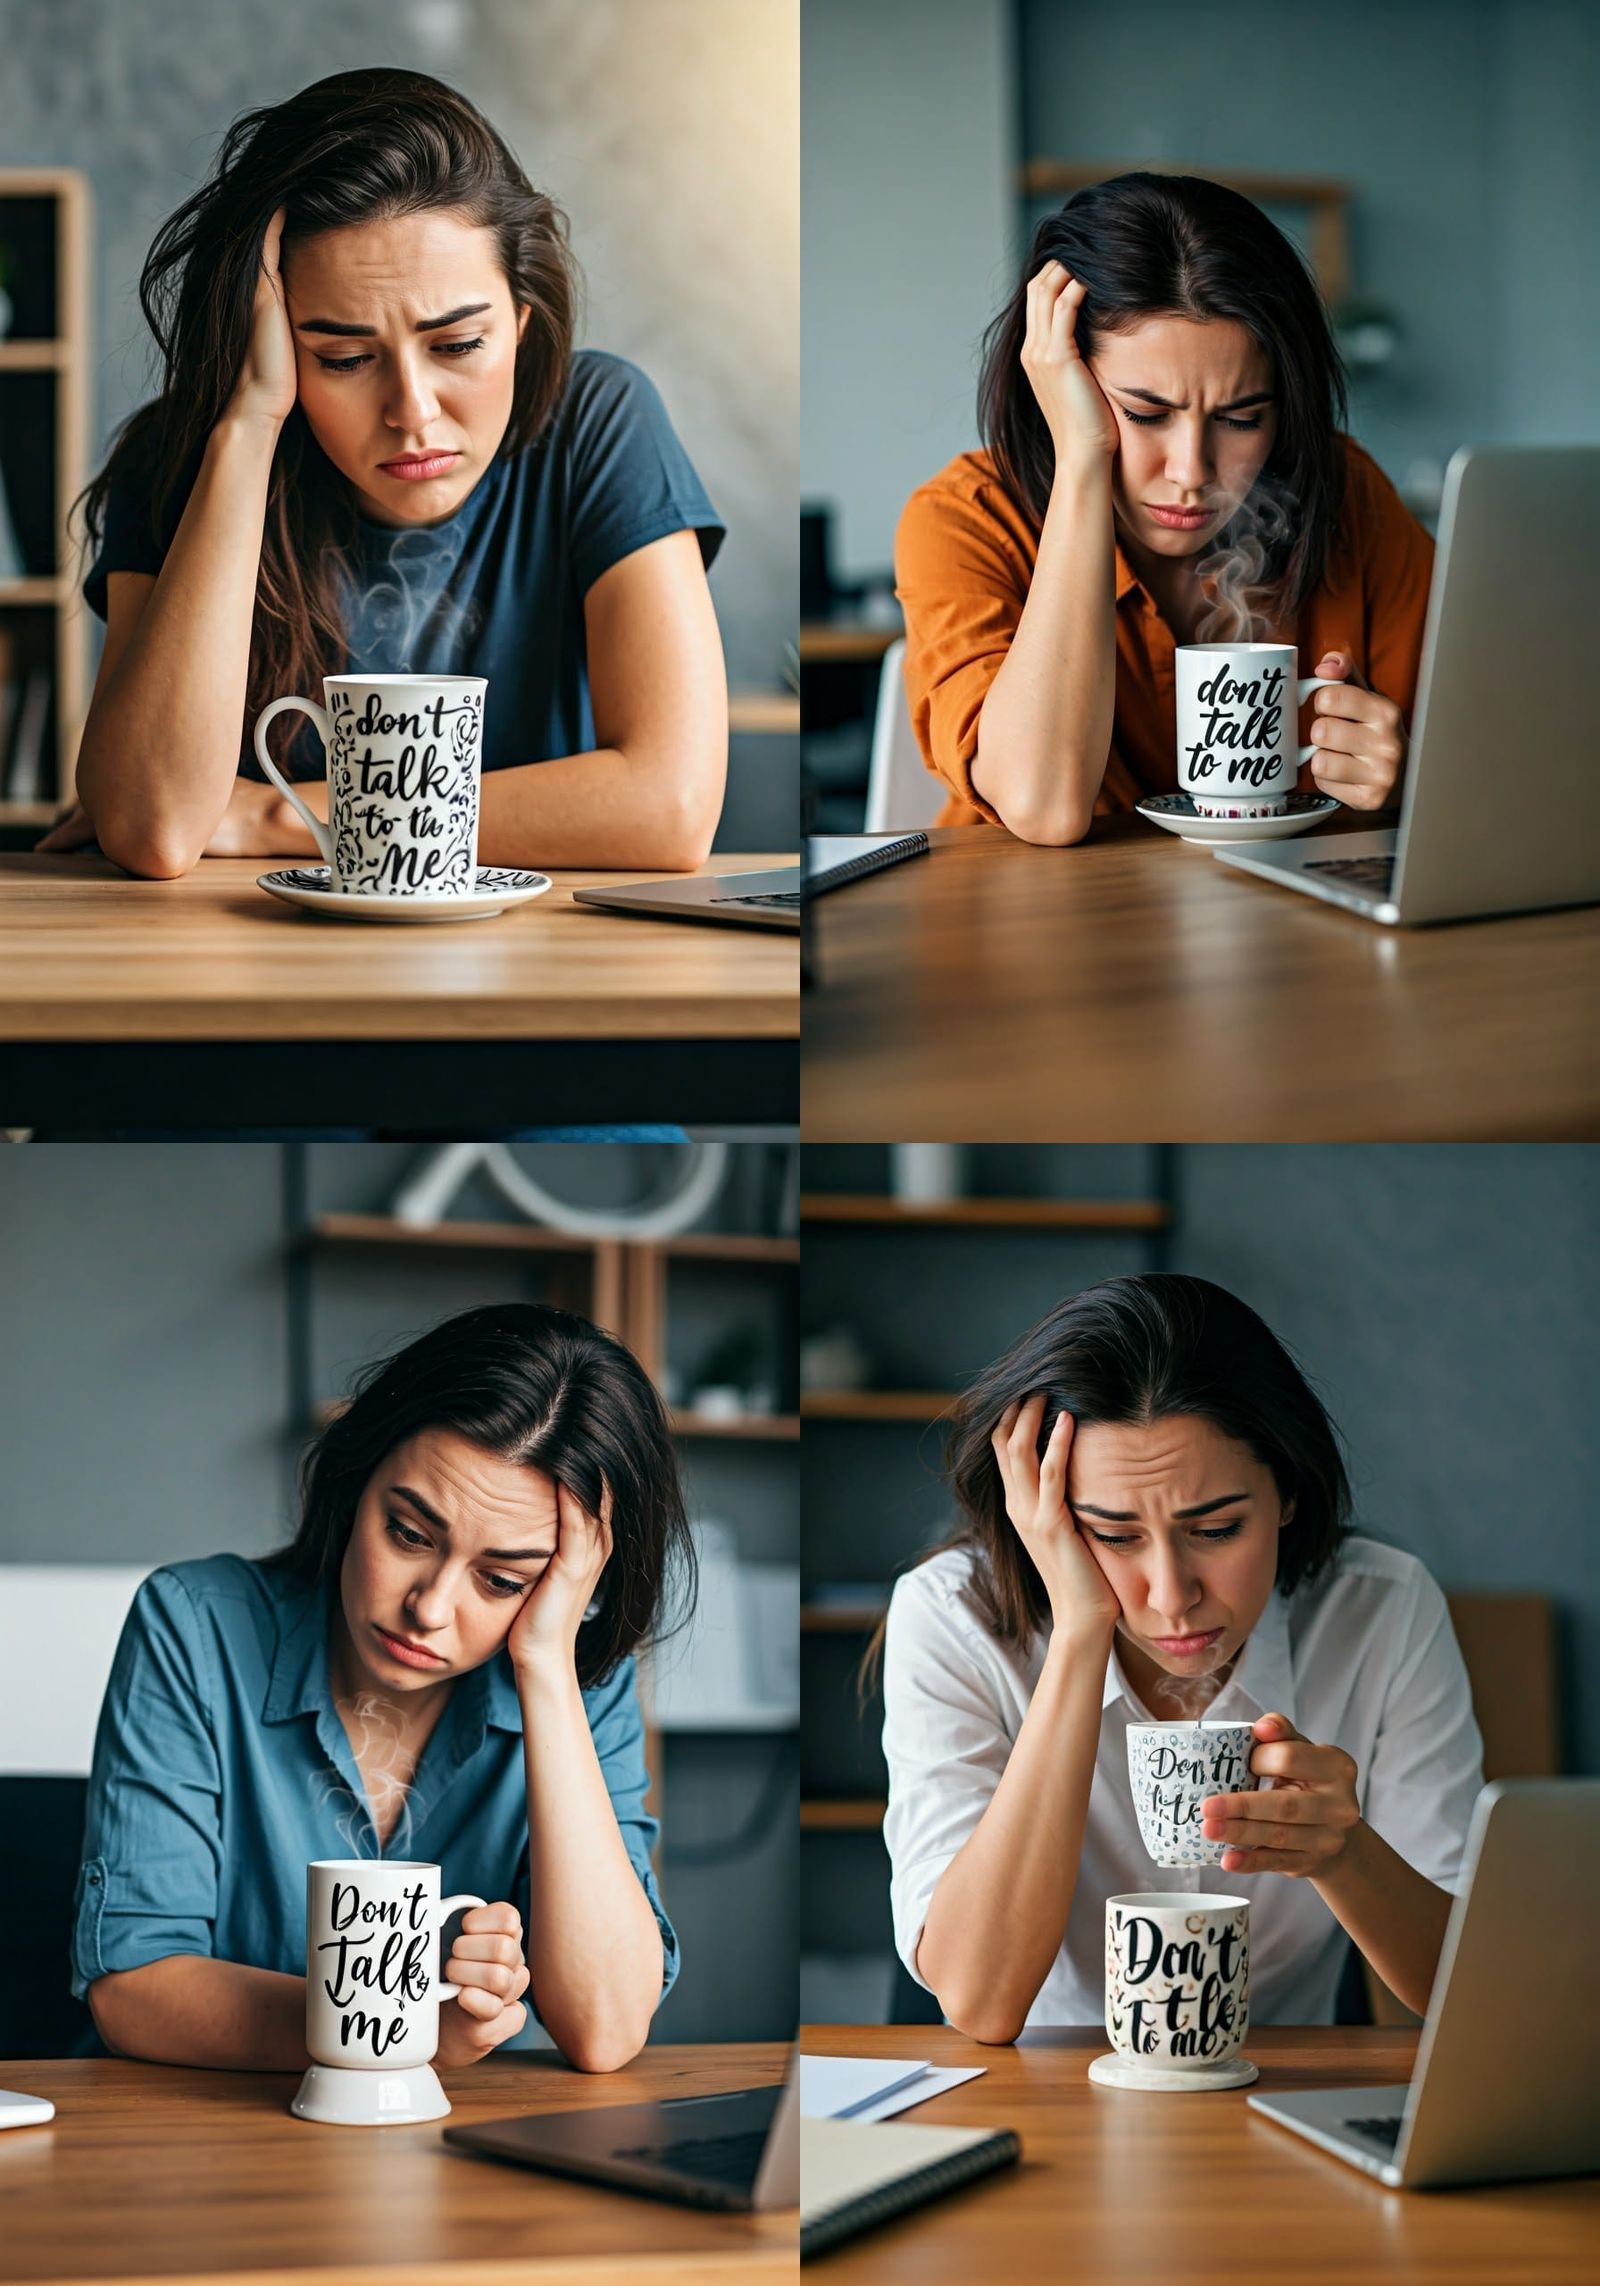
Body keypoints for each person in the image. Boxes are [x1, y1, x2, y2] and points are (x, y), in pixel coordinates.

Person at [43, 68, 727, 878]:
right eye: (344, 358)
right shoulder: (189, 456)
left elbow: (670, 808)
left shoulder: (599, 422)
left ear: (520, 321)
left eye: (458, 346)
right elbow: (154, 827)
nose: (413, 411)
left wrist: (274, 813)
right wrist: (250, 421)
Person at [73, 1301, 694, 2075]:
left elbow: (605, 2029)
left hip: (456, 2141)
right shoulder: (197, 1626)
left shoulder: (580, 1688)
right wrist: (403, 2030)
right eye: (408, 1534)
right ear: (355, 1481)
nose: (429, 1608)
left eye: (502, 1581)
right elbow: (132, 1988)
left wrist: (544, 1665)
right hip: (197, 2128)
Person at [879, 1274, 1484, 2043]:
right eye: (1114, 1536)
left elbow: (1467, 1990)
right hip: (1037, 2088)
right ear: (1045, 1519)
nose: (1171, 1595)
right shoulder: (952, 1617)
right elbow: (979, 2000)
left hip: (1279, 2087)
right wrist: (1080, 1633)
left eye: (1217, 1529)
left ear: (1287, 1494)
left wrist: (1343, 1855)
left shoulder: (1381, 1612)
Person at [895, 173, 1434, 842]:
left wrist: (1405, 774)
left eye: (1241, 419)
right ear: (1062, 383)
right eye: (1145, 415)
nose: (1191, 472)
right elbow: (1044, 807)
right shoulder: (965, 518)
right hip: (1032, 905)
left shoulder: (1346, 495)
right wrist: (1083, 457)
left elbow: (1487, 754)